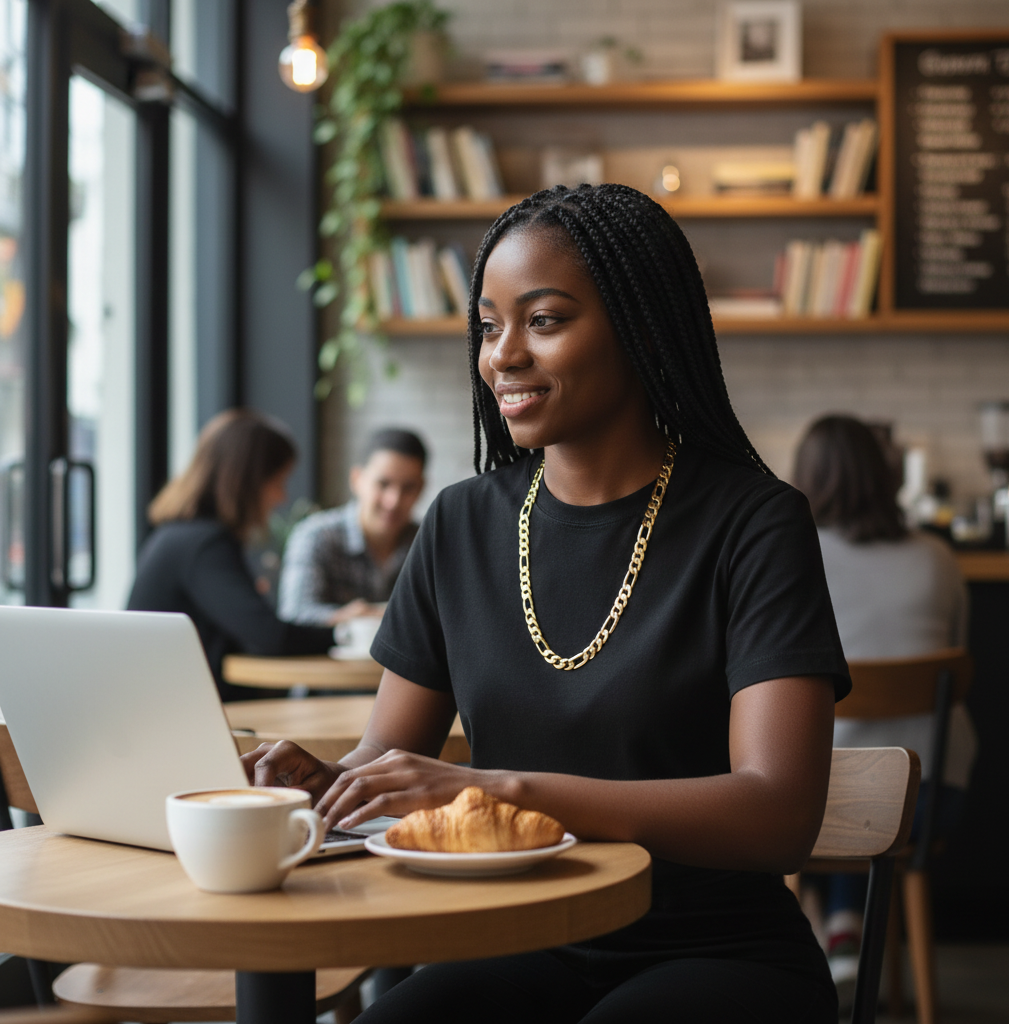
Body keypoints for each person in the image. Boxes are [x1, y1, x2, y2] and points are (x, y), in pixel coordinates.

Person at [244, 183, 851, 1023]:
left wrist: (505, 785)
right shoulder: (460, 522)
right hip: (513, 939)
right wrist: (321, 787)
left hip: (716, 951)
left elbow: (777, 812)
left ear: (641, 327)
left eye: (546, 319)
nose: (502, 355)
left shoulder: (754, 522)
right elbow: (387, 760)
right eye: (489, 326)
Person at [792, 414, 974, 1003]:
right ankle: (847, 931)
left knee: (814, 781)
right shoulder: (938, 557)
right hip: (935, 798)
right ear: (886, 474)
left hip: (822, 803)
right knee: (869, 784)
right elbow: (959, 652)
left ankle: (832, 935)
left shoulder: (791, 555)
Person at [128, 409, 343, 702]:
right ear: (247, 482)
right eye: (278, 482)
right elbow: (270, 636)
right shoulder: (206, 544)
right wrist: (344, 633)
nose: (282, 497)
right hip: (187, 715)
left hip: (163, 704)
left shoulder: (178, 536)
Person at [277, 428, 426, 627]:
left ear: (421, 489)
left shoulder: (427, 543)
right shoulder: (316, 535)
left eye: (408, 488)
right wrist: (353, 617)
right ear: (357, 479)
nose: (394, 501)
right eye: (383, 484)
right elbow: (294, 614)